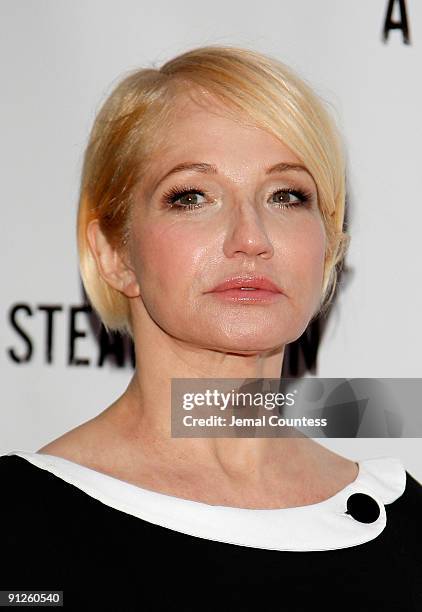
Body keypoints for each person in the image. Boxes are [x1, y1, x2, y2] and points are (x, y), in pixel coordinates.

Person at [1, 45, 421, 611]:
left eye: (287, 196)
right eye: (192, 196)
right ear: (114, 253)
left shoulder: (405, 526)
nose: (250, 236)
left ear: (327, 250)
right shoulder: (18, 526)